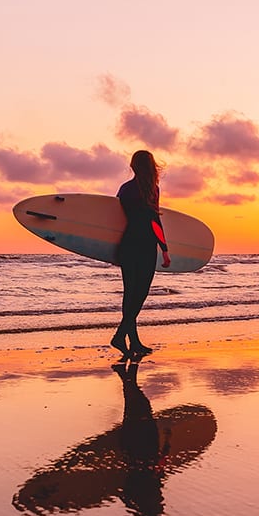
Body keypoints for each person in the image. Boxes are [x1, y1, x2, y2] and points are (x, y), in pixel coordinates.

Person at [112, 150, 170, 360]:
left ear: (134, 166)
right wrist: (164, 249)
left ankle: (132, 340)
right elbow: (155, 222)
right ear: (151, 166)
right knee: (139, 295)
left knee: (131, 294)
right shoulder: (152, 190)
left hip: (128, 245)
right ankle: (121, 336)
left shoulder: (125, 189)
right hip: (145, 246)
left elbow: (116, 221)